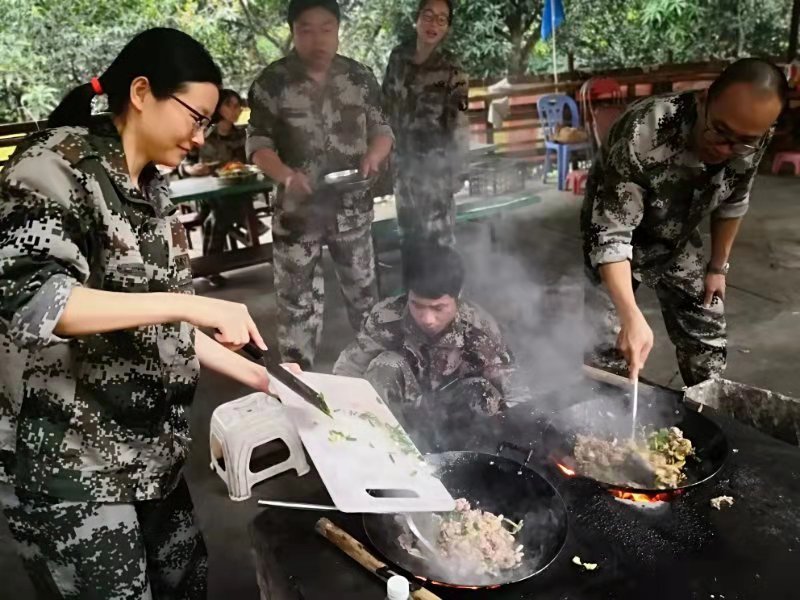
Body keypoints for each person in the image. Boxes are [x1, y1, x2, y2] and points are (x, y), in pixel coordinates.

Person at [0, 28, 282, 599]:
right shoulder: (52, 166)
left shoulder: (151, 189)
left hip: (147, 454)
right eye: (195, 117)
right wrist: (192, 303)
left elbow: (162, 323)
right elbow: (34, 300)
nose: (201, 137)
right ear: (142, 92)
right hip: (69, 469)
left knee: (186, 583)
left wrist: (264, 378)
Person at [581, 58, 787, 385]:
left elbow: (734, 200)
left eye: (743, 141)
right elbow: (611, 237)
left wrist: (718, 267)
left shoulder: (754, 135)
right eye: (720, 131)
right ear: (704, 99)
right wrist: (631, 315)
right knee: (607, 346)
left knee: (706, 341)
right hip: (616, 228)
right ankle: (611, 421)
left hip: (676, 234)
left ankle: (701, 423)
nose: (726, 148)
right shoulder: (643, 131)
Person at [247, 0, 394, 369]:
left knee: (365, 297)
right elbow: (257, 144)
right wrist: (285, 175)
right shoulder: (271, 82)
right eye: (306, 29)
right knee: (296, 304)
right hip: (297, 214)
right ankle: (301, 383)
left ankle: (379, 374)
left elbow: (382, 129)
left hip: (352, 208)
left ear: (338, 29)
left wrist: (375, 155)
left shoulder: (359, 77)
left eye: (326, 28)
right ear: (293, 32)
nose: (317, 38)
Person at [333, 243, 524, 447]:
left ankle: (474, 457)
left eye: (438, 308)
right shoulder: (386, 318)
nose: (427, 319)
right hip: (403, 417)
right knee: (385, 366)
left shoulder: (481, 328)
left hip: (456, 420)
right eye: (416, 305)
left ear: (457, 296)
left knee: (483, 391)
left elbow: (512, 391)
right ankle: (383, 449)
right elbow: (348, 370)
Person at [382, 0, 469, 249]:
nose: (434, 24)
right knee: (410, 239)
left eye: (442, 19)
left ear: (447, 28)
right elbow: (385, 106)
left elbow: (459, 123)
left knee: (439, 243)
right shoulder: (398, 57)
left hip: (436, 171)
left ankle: (446, 289)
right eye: (429, 16)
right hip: (403, 166)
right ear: (417, 19)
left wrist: (458, 170)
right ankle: (416, 289)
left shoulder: (453, 69)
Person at [179, 89, 252, 287]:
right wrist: (193, 170)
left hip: (236, 192)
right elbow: (184, 165)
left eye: (238, 105)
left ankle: (210, 267)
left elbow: (250, 163)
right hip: (207, 194)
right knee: (214, 215)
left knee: (216, 217)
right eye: (231, 105)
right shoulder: (202, 136)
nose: (236, 110)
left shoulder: (242, 135)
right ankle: (211, 267)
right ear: (218, 107)